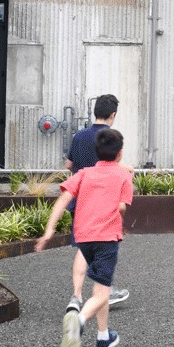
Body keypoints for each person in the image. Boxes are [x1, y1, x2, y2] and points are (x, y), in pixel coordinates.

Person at [36, 128, 133, 347]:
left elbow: (63, 199)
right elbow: (122, 207)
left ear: (96, 152)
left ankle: (103, 338)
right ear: (119, 154)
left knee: (99, 287)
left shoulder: (84, 173)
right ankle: (78, 322)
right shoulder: (123, 176)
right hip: (107, 239)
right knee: (102, 293)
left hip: (84, 239)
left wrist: (49, 230)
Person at [64, 94, 130, 312]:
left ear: (95, 112)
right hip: (103, 205)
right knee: (103, 249)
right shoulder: (109, 138)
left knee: (83, 249)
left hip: (79, 202)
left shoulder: (79, 137)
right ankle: (104, 292)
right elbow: (110, 167)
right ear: (112, 115)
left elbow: (68, 164)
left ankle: (76, 296)